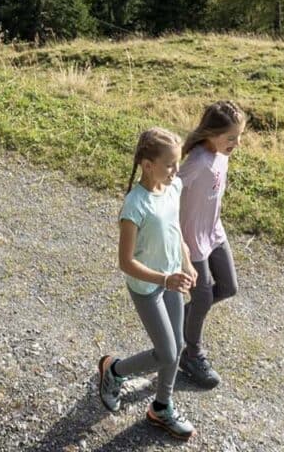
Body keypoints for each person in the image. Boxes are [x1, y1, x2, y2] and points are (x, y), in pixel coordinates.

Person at [95, 128, 197, 441]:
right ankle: (114, 371)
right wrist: (165, 279)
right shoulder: (134, 205)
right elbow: (126, 263)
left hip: (171, 280)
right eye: (170, 164)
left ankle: (161, 407)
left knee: (176, 347)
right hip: (147, 286)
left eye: (178, 163)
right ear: (147, 164)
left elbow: (175, 231)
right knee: (167, 352)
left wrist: (187, 263)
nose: (176, 171)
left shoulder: (173, 187)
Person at [176, 101, 246, 389]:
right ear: (211, 133)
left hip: (214, 232)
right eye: (231, 138)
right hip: (192, 238)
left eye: (240, 136)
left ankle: (183, 317)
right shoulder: (197, 161)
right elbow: (169, 191)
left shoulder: (220, 155)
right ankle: (191, 354)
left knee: (229, 287)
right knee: (203, 297)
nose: (237, 143)